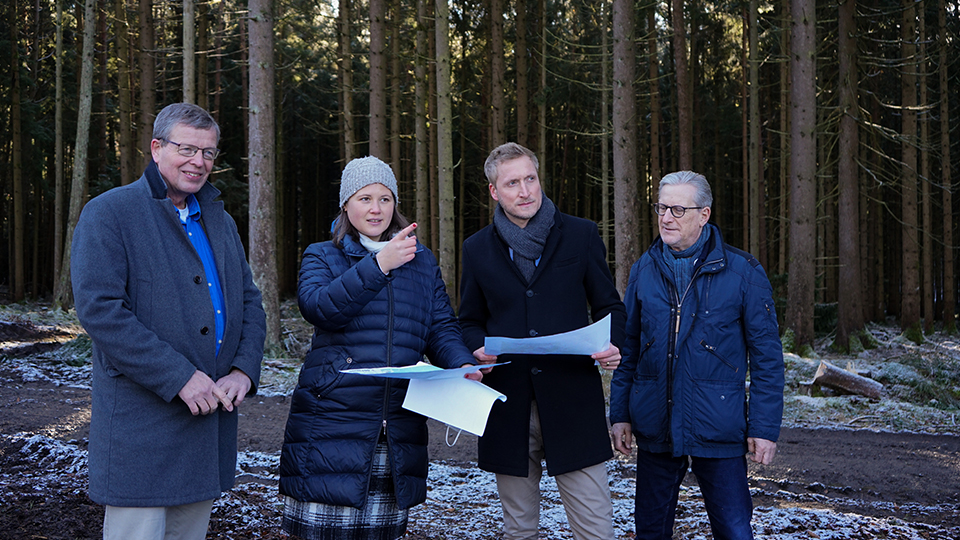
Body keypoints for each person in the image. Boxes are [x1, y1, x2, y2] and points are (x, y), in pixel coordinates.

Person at [71, 102, 267, 540]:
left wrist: (242, 370)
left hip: (209, 418)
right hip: (143, 423)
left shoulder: (221, 221)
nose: (198, 162)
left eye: (209, 153)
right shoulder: (109, 214)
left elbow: (250, 302)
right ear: (156, 148)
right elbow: (101, 311)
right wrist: (178, 376)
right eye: (187, 149)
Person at [278, 155, 481, 540]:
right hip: (332, 424)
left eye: (385, 199)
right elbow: (319, 308)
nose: (376, 209)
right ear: (346, 204)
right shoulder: (322, 254)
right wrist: (379, 265)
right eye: (365, 198)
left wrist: (462, 364)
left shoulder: (420, 261)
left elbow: (440, 326)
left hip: (395, 428)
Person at [458, 142, 627, 540]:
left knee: (596, 530)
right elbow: (467, 321)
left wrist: (613, 344)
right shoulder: (476, 248)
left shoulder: (581, 234)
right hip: (506, 404)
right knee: (519, 530)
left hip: (572, 401)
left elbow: (611, 307)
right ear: (495, 192)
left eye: (530, 178)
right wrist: (475, 348)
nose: (525, 190)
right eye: (513, 182)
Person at [609, 171, 785, 540]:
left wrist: (764, 428)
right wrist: (620, 413)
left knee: (734, 530)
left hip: (718, 427)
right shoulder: (644, 269)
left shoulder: (743, 272)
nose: (666, 217)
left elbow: (767, 358)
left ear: (704, 215)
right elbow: (629, 348)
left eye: (677, 209)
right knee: (650, 531)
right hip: (656, 425)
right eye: (661, 207)